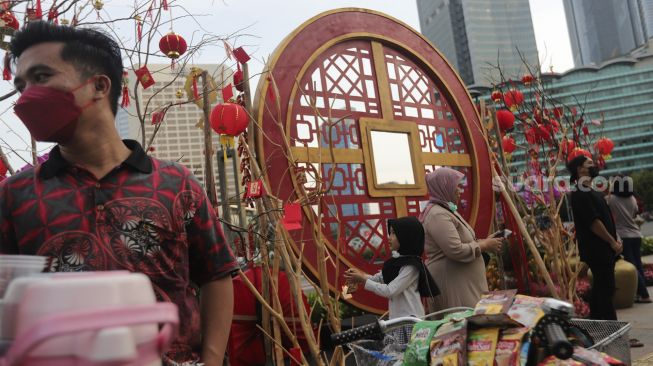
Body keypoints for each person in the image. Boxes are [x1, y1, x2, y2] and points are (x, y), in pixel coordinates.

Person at [0, 22, 237, 366]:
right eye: (21, 85)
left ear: (98, 85)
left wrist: (212, 360)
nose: (26, 97)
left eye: (40, 77)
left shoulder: (177, 183)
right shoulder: (13, 195)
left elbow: (216, 275)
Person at [344, 216, 439, 346]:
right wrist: (359, 276)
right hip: (397, 321)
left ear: (406, 237)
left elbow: (390, 290)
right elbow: (377, 279)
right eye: (390, 232)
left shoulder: (411, 267)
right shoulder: (396, 262)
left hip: (409, 322)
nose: (389, 237)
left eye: (394, 233)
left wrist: (363, 280)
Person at [419, 167, 502, 310]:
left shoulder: (446, 210)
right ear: (444, 187)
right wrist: (484, 246)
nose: (459, 190)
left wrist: (483, 241)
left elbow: (462, 242)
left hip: (463, 283)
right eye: (456, 186)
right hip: (454, 285)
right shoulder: (438, 215)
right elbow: (455, 250)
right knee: (462, 325)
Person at [566, 155, 622, 321]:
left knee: (603, 289)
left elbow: (605, 219)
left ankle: (599, 326)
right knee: (606, 289)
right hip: (597, 250)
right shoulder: (580, 193)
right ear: (580, 170)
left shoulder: (591, 190)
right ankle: (612, 330)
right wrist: (612, 242)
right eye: (589, 163)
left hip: (604, 249)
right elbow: (593, 223)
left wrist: (616, 239)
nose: (594, 165)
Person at [607, 175, 651, 304]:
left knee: (632, 266)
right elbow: (634, 213)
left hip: (623, 236)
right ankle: (639, 293)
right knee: (638, 265)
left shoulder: (612, 199)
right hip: (636, 235)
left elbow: (604, 206)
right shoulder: (632, 199)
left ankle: (644, 295)